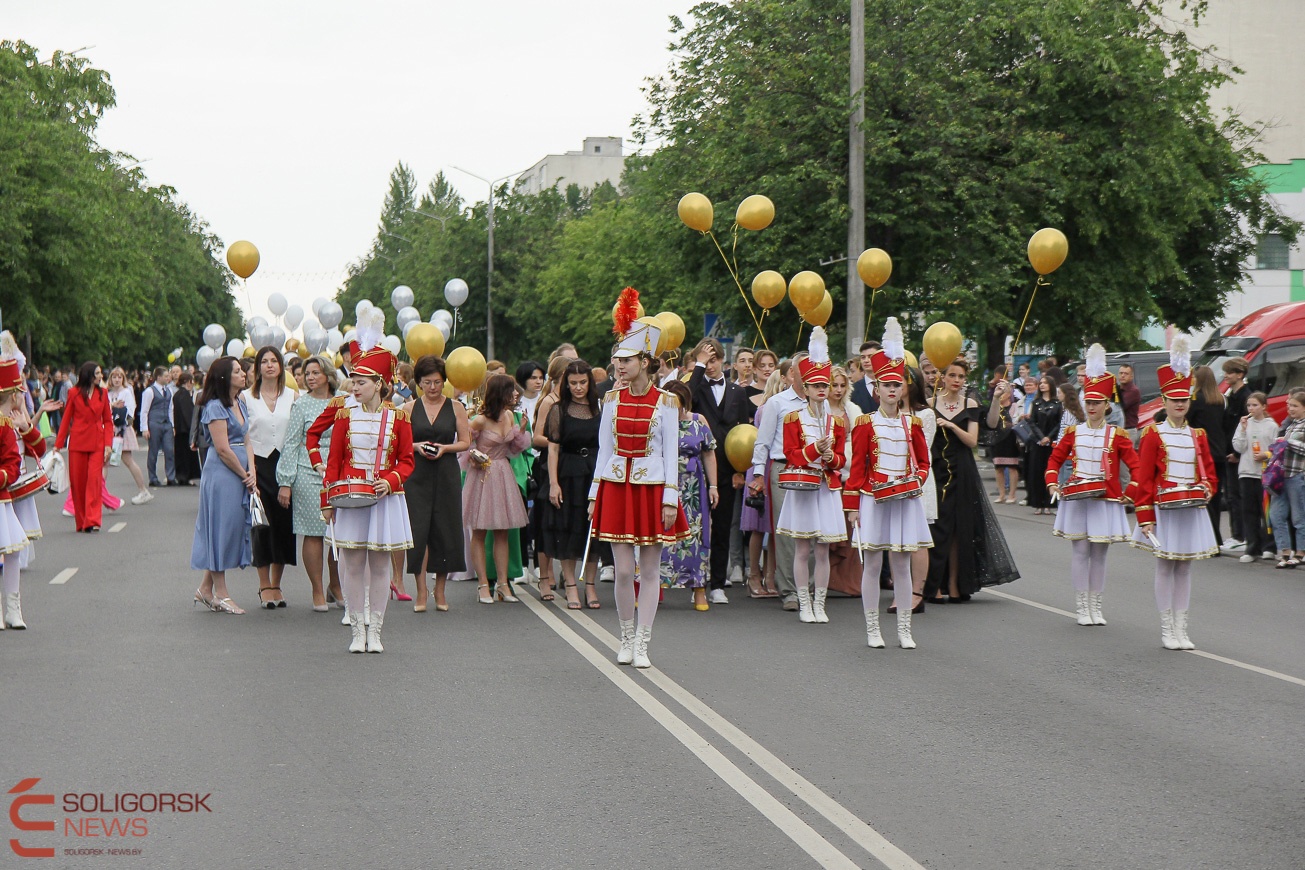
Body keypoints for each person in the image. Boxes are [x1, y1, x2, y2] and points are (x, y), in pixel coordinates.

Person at [589, 294, 689, 667]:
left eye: (626, 360)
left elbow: (670, 455)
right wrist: (594, 493)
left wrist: (669, 497)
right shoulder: (611, 400)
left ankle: (644, 643)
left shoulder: (666, 402)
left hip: (651, 489)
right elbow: (604, 450)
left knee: (648, 570)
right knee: (623, 570)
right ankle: (626, 636)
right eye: (616, 360)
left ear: (644, 362)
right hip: (616, 487)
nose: (618, 366)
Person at [321, 320, 414, 653]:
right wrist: (327, 500)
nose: (354, 387)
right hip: (349, 495)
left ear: (378, 384)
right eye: (353, 382)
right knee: (353, 562)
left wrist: (390, 481)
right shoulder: (344, 416)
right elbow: (333, 461)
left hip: (384, 496)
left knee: (379, 564)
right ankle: (356, 629)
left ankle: (375, 631)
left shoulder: (399, 418)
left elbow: (406, 460)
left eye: (360, 382)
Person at [844, 320, 932, 648]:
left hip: (905, 499)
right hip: (873, 498)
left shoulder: (913, 423)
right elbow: (856, 468)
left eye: (897, 385)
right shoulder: (865, 423)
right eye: (886, 385)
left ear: (903, 388)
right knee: (873, 563)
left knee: (902, 562)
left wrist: (915, 480)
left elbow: (924, 462)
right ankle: (872, 627)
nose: (892, 390)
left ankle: (905, 629)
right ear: (877, 388)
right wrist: (853, 507)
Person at [1127, 338, 1218, 650]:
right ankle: (1167, 627)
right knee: (1166, 565)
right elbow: (1144, 478)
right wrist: (1145, 517)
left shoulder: (1198, 435)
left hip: (1190, 508)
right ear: (1164, 401)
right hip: (1164, 509)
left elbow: (1209, 472)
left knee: (1186, 566)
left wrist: (1206, 490)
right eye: (1174, 400)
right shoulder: (1153, 434)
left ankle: (1182, 626)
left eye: (1184, 400)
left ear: (1190, 401)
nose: (1180, 405)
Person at [1045, 345, 1139, 626]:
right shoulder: (1074, 432)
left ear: (1107, 405)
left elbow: (1136, 466)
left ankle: (1096, 604)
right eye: (1089, 403)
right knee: (1080, 551)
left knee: (1099, 553)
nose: (1093, 407)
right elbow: (1054, 460)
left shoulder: (1117, 434)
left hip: (1105, 501)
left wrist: (1130, 491)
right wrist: (1052, 484)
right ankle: (1081, 605)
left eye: (1098, 403)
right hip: (1077, 499)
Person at [926, 358, 1020, 601]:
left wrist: (997, 398)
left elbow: (973, 439)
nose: (957, 381)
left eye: (961, 377)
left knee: (960, 530)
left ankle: (956, 584)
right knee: (937, 528)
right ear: (943, 377)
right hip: (936, 471)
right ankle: (934, 585)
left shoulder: (969, 404)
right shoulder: (929, 404)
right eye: (953, 376)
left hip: (963, 471)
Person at [775, 327, 847, 624]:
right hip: (803, 488)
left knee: (823, 549)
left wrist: (831, 458)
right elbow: (791, 454)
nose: (820, 390)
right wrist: (813, 450)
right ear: (805, 388)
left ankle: (821, 602)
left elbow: (841, 460)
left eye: (824, 386)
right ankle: (803, 601)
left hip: (826, 489)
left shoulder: (838, 422)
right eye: (814, 385)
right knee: (802, 548)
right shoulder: (793, 418)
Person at [686, 337, 753, 605]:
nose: (710, 366)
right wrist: (698, 366)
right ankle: (696, 582)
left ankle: (717, 584)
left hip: (727, 467)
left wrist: (740, 470)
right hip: (696, 467)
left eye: (713, 360)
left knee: (723, 525)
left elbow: (742, 431)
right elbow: (684, 399)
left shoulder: (737, 392)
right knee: (696, 527)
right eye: (705, 360)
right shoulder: (697, 386)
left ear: (723, 361)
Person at [402, 355, 470, 612]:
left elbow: (465, 441)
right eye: (428, 382)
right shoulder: (408, 409)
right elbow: (399, 444)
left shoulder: (456, 407)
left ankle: (440, 590)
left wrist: (445, 448)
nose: (433, 387)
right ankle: (421, 591)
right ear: (419, 383)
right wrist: (417, 446)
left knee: (445, 530)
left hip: (446, 471)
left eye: (438, 382)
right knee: (418, 531)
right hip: (416, 474)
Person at [276, 356, 343, 612]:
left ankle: (335, 585)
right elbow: (292, 443)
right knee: (315, 531)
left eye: (316, 372)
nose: (311, 377)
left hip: (339, 472)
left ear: (328, 375)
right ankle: (316, 588)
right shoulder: (301, 405)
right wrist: (285, 481)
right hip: (308, 472)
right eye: (307, 373)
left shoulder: (344, 401)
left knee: (339, 533)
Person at [190, 356, 255, 615]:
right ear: (225, 377)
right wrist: (243, 474)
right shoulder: (215, 407)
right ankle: (222, 594)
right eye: (238, 371)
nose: (243, 374)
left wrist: (252, 474)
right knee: (221, 530)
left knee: (230, 529)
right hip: (222, 474)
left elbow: (248, 441)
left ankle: (206, 588)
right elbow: (222, 449)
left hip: (241, 472)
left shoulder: (240, 402)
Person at [0, 334, 56, 629]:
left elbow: (39, 447)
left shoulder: (17, 415)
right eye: (15, 389)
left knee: (14, 546)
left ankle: (12, 607)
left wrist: (26, 426)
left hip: (16, 485)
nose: (19, 393)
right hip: (5, 485)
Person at [464, 374, 532, 605]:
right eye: (511, 390)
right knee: (480, 531)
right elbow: (465, 445)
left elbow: (513, 450)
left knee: (503, 531)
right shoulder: (479, 420)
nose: (515, 394)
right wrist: (475, 457)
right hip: (483, 475)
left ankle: (503, 584)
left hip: (503, 473)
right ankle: (483, 584)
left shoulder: (509, 415)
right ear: (499, 393)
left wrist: (520, 432)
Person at [748, 354, 809, 611]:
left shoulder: (822, 402)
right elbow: (763, 440)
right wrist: (759, 474)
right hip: (784, 468)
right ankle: (790, 591)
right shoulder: (776, 403)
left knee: (812, 531)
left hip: (814, 469)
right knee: (785, 533)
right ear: (792, 373)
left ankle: (810, 586)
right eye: (802, 369)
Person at [544, 359, 605, 610]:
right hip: (567, 472)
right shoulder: (558, 409)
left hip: (594, 472)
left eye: (582, 382)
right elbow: (553, 450)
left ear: (589, 382)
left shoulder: (600, 407)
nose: (578, 387)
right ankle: (570, 585)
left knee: (593, 532)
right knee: (567, 529)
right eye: (573, 383)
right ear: (565, 384)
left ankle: (590, 585)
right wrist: (553, 484)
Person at [657, 378, 719, 609]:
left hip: (694, 486)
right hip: (664, 483)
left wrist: (713, 486)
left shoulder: (698, 420)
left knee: (696, 536)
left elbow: (709, 453)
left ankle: (699, 589)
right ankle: (654, 585)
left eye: (680, 404)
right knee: (662, 535)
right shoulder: (659, 422)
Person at [246, 347, 298, 608]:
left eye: (273, 361)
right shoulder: (246, 398)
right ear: (257, 367)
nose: (269, 365)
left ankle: (277, 583)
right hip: (258, 464)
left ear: (281, 366)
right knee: (262, 526)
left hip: (286, 465)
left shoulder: (293, 395)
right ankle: (264, 584)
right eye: (264, 361)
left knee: (283, 524)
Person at [55, 362, 114, 532]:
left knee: (94, 481)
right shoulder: (73, 393)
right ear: (89, 375)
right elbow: (66, 419)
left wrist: (108, 445)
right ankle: (81, 521)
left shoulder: (103, 393)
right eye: (97, 373)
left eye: (101, 373)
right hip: (78, 442)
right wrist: (58, 445)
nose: (100, 376)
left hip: (97, 442)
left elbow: (108, 421)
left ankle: (92, 520)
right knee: (78, 483)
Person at [740, 371, 782, 598]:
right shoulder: (767, 408)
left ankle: (771, 575)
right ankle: (754, 575)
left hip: (775, 466)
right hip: (761, 468)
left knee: (775, 528)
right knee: (758, 526)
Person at [826, 365, 865, 597]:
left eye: (842, 385)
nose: (838, 390)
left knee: (850, 531)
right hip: (824, 476)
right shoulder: (816, 409)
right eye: (834, 385)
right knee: (827, 531)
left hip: (848, 477)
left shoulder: (853, 410)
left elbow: (860, 443)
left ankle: (846, 581)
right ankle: (822, 578)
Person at [1230, 391, 1275, 564]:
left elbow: (1276, 449)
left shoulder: (1271, 425)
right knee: (1249, 511)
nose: (1251, 408)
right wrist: (1242, 429)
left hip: (1265, 473)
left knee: (1266, 512)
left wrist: (1266, 454)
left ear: (1263, 406)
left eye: (1255, 405)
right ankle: (1252, 547)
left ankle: (1269, 546)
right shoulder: (1245, 424)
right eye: (1249, 405)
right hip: (1247, 472)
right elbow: (1239, 447)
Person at [1268, 389, 1305, 568]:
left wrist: (1285, 442)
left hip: (1297, 474)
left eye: (1295, 406)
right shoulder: (1292, 424)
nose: (1290, 409)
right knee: (1276, 515)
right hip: (1281, 475)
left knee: (1299, 517)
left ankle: (1300, 553)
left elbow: (1302, 448)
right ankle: (1284, 551)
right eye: (1289, 405)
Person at [105, 367, 153, 504]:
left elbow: (130, 411)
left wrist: (116, 409)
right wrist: (112, 406)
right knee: (105, 462)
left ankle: (143, 490)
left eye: (119, 377)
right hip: (110, 429)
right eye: (114, 377)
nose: (116, 380)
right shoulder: (108, 393)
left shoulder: (126, 392)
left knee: (128, 460)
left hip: (122, 429)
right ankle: (100, 492)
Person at [1220, 357, 1251, 552]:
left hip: (1236, 453)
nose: (1226, 375)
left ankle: (1240, 535)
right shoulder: (1232, 394)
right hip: (1228, 450)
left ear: (1239, 374)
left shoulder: (1245, 397)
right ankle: (1236, 534)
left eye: (1229, 372)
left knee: (1237, 495)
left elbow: (1242, 428)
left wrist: (1236, 453)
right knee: (1231, 495)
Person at [1024, 375, 1062, 515]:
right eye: (1041, 383)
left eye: (1045, 383)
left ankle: (1049, 504)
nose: (1042, 385)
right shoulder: (1036, 403)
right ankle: (1037, 503)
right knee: (1036, 472)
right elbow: (1032, 422)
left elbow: (1059, 423)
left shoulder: (1057, 403)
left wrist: (1049, 437)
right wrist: (1041, 437)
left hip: (1051, 442)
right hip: (1038, 442)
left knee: (1050, 472)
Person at [140, 366, 177, 487]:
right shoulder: (150, 391)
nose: (168, 378)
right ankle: (152, 477)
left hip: (167, 424)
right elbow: (144, 410)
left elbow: (171, 408)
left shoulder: (169, 391)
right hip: (154, 423)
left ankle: (171, 476)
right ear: (159, 377)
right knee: (153, 451)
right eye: (166, 376)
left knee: (169, 450)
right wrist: (144, 428)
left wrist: (172, 425)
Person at [172, 371, 200, 485]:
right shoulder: (185, 395)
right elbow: (188, 413)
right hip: (185, 430)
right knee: (186, 456)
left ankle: (182, 475)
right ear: (188, 382)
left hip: (179, 429)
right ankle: (186, 476)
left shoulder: (177, 394)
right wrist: (193, 428)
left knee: (180, 454)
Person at [850, 341, 881, 414]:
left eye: (870, 356)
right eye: (863, 357)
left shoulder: (891, 385)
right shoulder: (853, 389)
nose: (866, 361)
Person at [1117, 363, 1141, 439]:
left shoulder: (1133, 391)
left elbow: (1119, 407)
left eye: (1126, 374)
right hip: (1118, 428)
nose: (1123, 375)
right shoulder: (1117, 389)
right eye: (1121, 373)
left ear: (1131, 377)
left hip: (1128, 430)